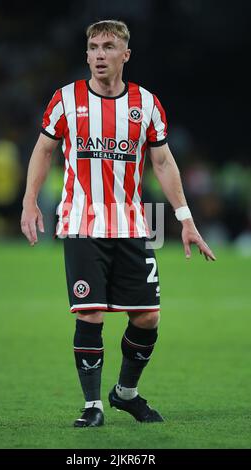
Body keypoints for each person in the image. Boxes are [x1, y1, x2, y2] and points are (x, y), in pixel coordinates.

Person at [21, 20, 216, 428]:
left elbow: (162, 162)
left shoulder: (145, 104)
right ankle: (93, 406)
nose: (99, 55)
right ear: (87, 54)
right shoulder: (66, 100)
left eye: (108, 47)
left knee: (147, 317)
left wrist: (185, 220)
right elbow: (43, 150)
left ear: (125, 55)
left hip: (132, 224)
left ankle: (126, 393)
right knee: (89, 314)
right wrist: (30, 202)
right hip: (81, 223)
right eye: (93, 47)